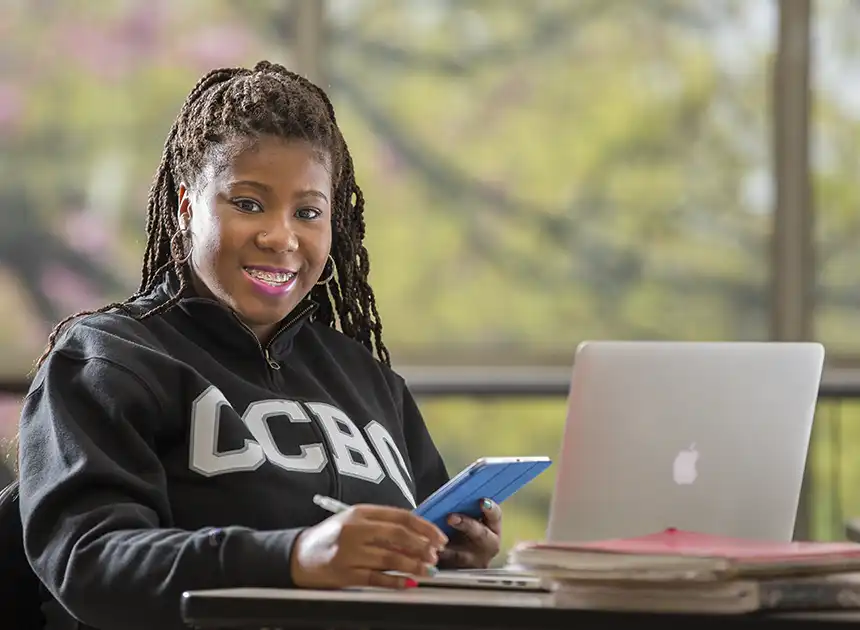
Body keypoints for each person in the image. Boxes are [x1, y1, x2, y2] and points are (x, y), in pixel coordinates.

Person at [17, 61, 502, 630]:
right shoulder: (111, 358)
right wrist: (293, 558)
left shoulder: (367, 381)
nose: (281, 237)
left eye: (308, 212)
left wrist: (452, 557)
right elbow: (90, 562)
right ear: (185, 207)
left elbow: (410, 563)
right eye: (248, 203)